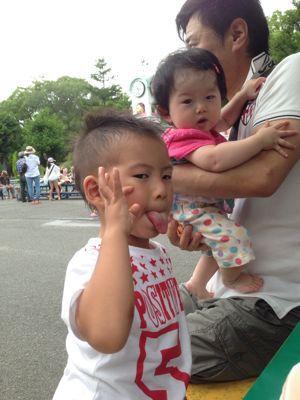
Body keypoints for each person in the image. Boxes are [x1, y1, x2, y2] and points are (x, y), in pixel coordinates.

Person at [166, 0, 300, 383]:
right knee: (126, 327)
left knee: (141, 356)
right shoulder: (243, 107)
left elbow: (264, 177)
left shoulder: (291, 71)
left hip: (275, 306)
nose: (189, 57)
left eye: (195, 43)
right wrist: (200, 235)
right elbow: (234, 203)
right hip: (230, 291)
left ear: (237, 34)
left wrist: (158, 176)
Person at [53, 111, 191, 399]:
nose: (162, 190)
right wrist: (116, 229)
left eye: (166, 176)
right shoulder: (89, 262)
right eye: (142, 176)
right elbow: (107, 335)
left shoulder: (158, 253)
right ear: (96, 191)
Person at [152, 47, 296, 298]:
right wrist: (260, 141)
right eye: (188, 101)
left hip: (203, 206)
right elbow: (214, 161)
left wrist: (241, 96)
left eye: (210, 97)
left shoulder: (200, 128)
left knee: (216, 244)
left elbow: (223, 120)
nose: (201, 108)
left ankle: (199, 284)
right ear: (166, 112)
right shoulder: (182, 137)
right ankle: (233, 278)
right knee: (233, 236)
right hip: (193, 210)